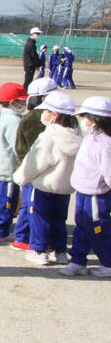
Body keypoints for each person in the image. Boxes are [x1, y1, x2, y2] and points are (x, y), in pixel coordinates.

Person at [13, 91, 81, 266]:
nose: (43, 115)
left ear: (54, 114)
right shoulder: (76, 133)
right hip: (65, 187)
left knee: (40, 217)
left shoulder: (49, 135)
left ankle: (38, 250)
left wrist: (20, 177)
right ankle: (60, 252)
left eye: (46, 111)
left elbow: (35, 162)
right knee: (59, 219)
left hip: (45, 186)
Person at [60, 96, 111, 277]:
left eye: (85, 117)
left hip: (96, 194)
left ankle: (108, 262)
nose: (83, 121)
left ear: (96, 119)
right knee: (81, 226)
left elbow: (108, 170)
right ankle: (77, 261)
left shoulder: (105, 142)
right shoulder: (91, 137)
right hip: (83, 191)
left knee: (98, 229)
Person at [12, 77, 59, 250]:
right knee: (33, 206)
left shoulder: (51, 116)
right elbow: (26, 149)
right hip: (34, 172)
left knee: (35, 206)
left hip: (44, 172)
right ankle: (26, 237)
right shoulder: (36, 118)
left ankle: (29, 236)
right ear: (43, 98)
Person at [0, 83, 27, 242]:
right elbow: (18, 146)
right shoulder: (14, 121)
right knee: (5, 202)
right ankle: (1, 232)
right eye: (22, 101)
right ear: (13, 102)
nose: (24, 105)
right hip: (6, 170)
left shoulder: (0, 116)